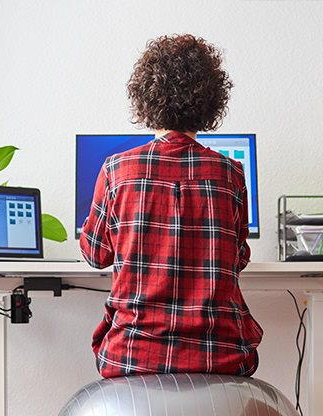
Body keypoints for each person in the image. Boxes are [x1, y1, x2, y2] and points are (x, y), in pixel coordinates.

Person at [79, 34, 263, 378]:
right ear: (210, 102)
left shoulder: (116, 170)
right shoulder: (231, 173)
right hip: (220, 357)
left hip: (131, 355)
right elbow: (237, 258)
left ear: (145, 99)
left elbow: (96, 255)